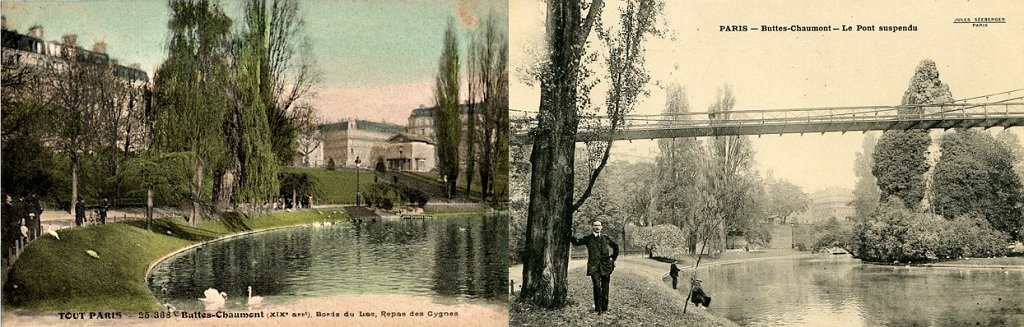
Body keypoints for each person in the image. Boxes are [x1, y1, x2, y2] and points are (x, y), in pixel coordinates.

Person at [569, 220, 619, 314]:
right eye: (595, 225)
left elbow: (616, 247)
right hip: (594, 266)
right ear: (592, 227)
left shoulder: (605, 238)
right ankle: (598, 308)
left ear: (601, 227)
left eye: (599, 225)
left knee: (605, 287)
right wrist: (571, 235)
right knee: (596, 286)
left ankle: (604, 308)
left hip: (606, 266)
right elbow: (577, 242)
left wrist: (612, 258)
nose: (597, 227)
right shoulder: (588, 238)